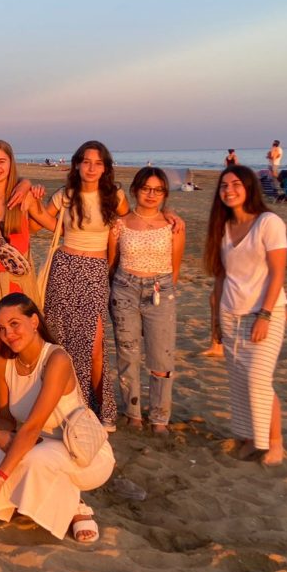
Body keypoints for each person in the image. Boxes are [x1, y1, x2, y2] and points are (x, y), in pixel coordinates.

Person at [0, 293, 116, 543]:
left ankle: (76, 507)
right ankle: (50, 496)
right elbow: (7, 418)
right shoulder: (2, 362)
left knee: (33, 458)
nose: (8, 334)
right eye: (2, 328)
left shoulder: (56, 359)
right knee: (2, 451)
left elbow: (33, 426)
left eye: (15, 324)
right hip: (41, 444)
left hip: (83, 453)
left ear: (34, 322)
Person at [40, 141, 132, 431]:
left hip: (95, 270)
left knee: (93, 342)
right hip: (64, 266)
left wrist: (169, 219)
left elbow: (129, 225)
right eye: (86, 161)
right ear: (77, 164)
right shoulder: (66, 195)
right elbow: (44, 221)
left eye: (98, 162)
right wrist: (30, 201)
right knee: (61, 338)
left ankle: (100, 407)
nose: (91, 167)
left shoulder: (114, 195)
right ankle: (65, 403)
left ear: (105, 167)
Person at [204, 165, 287, 465]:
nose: (229, 190)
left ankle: (275, 443)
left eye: (236, 184)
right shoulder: (222, 226)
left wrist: (265, 315)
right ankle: (251, 438)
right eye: (224, 185)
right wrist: (215, 320)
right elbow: (220, 277)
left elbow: (278, 271)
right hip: (230, 312)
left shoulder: (269, 222)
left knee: (259, 379)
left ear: (249, 187)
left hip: (264, 312)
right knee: (239, 381)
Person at [108, 167, 184, 434]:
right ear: (135, 190)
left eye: (158, 190)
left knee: (161, 358)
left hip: (159, 291)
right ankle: (133, 413)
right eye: (146, 189)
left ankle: (159, 417)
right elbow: (110, 262)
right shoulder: (120, 223)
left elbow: (175, 269)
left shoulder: (173, 225)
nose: (152, 195)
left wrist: (160, 291)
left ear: (165, 193)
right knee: (128, 354)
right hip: (124, 288)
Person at [0, 139, 59, 355]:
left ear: (11, 164)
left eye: (2, 161)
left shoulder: (24, 196)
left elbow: (56, 227)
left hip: (19, 282)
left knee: (24, 346)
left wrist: (35, 193)